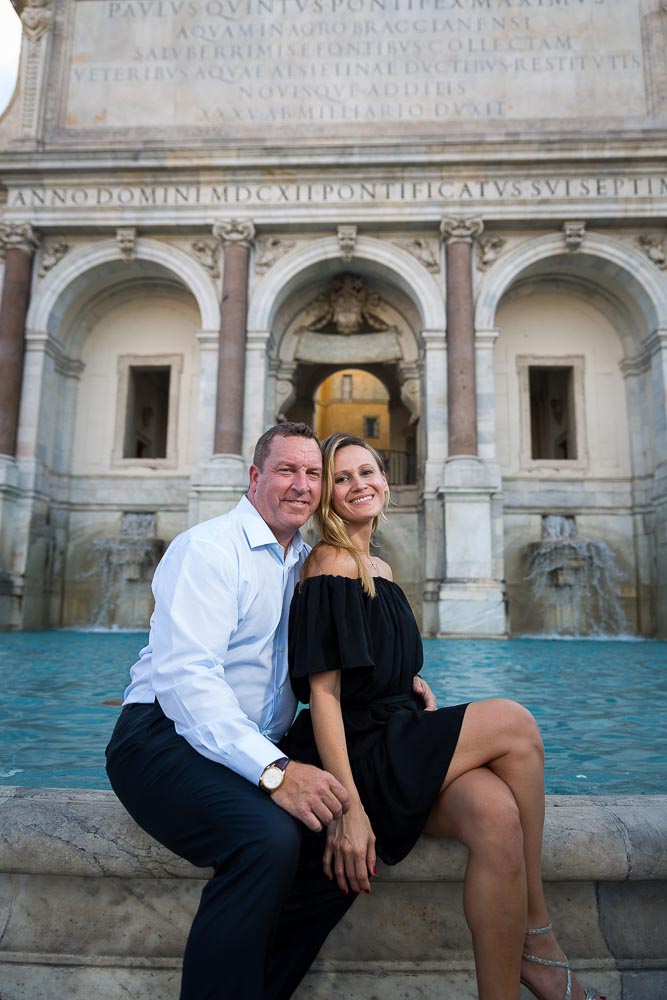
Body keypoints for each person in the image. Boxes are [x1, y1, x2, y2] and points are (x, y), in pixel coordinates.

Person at [105, 420, 435, 1000]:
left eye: (313, 473)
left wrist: (402, 683)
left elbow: (328, 666)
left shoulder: (308, 560)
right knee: (267, 840)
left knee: (340, 840)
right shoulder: (209, 548)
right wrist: (275, 772)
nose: (301, 484)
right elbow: (188, 681)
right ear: (256, 476)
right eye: (286, 469)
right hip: (161, 738)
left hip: (252, 745)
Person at [281, 432, 606, 1000]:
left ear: (385, 480)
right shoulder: (329, 561)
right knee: (515, 723)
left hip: (394, 731)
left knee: (496, 815)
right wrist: (349, 810)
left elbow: (368, 660)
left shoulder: (376, 565)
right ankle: (540, 935)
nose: (359, 484)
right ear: (327, 497)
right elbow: (325, 696)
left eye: (368, 471)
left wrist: (407, 681)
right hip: (361, 753)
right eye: (342, 477)